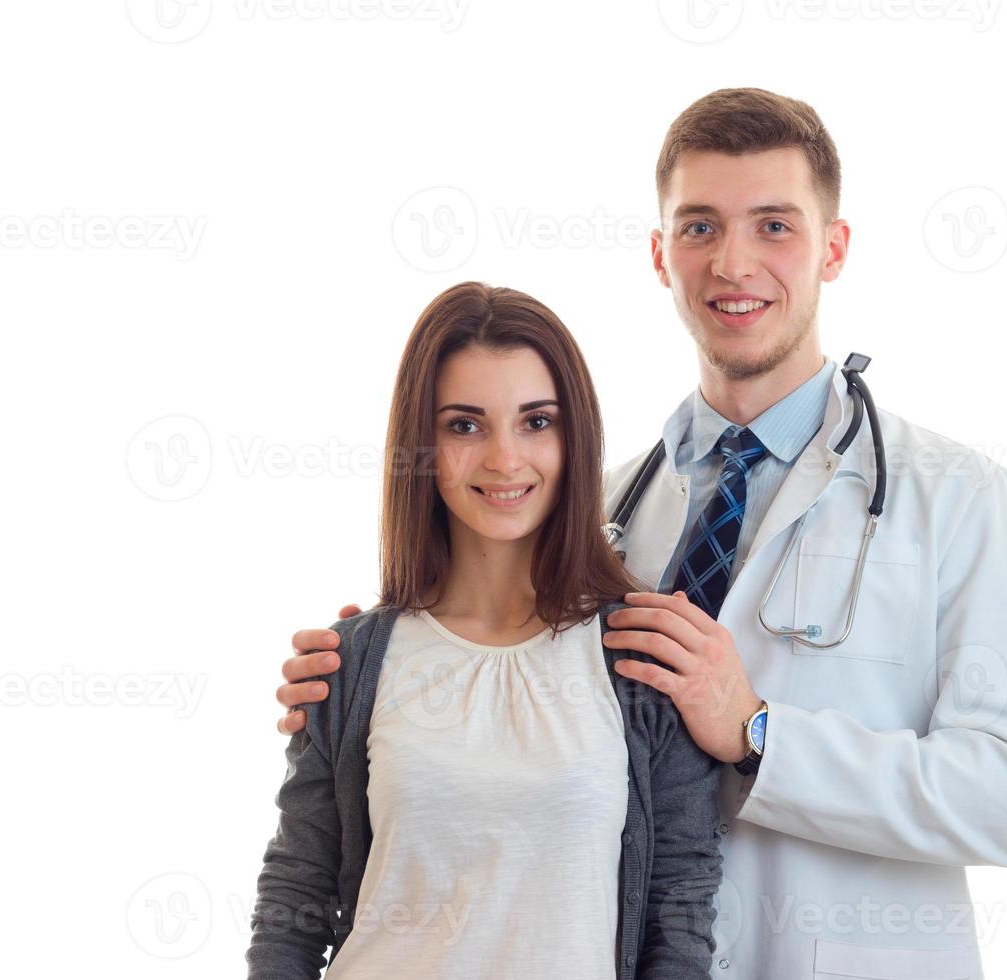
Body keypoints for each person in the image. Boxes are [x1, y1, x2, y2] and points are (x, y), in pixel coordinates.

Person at [273, 89, 1007, 979]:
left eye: (775, 225)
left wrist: (760, 733)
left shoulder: (958, 500)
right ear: (660, 254)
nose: (734, 263)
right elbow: (477, 692)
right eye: (699, 227)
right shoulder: (595, 512)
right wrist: (364, 671)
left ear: (833, 249)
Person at [246, 282, 724, 980]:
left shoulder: (640, 658)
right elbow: (294, 897)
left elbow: (679, 905)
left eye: (537, 422)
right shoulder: (350, 664)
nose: (504, 459)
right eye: (464, 426)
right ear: (422, 444)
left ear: (575, 434)